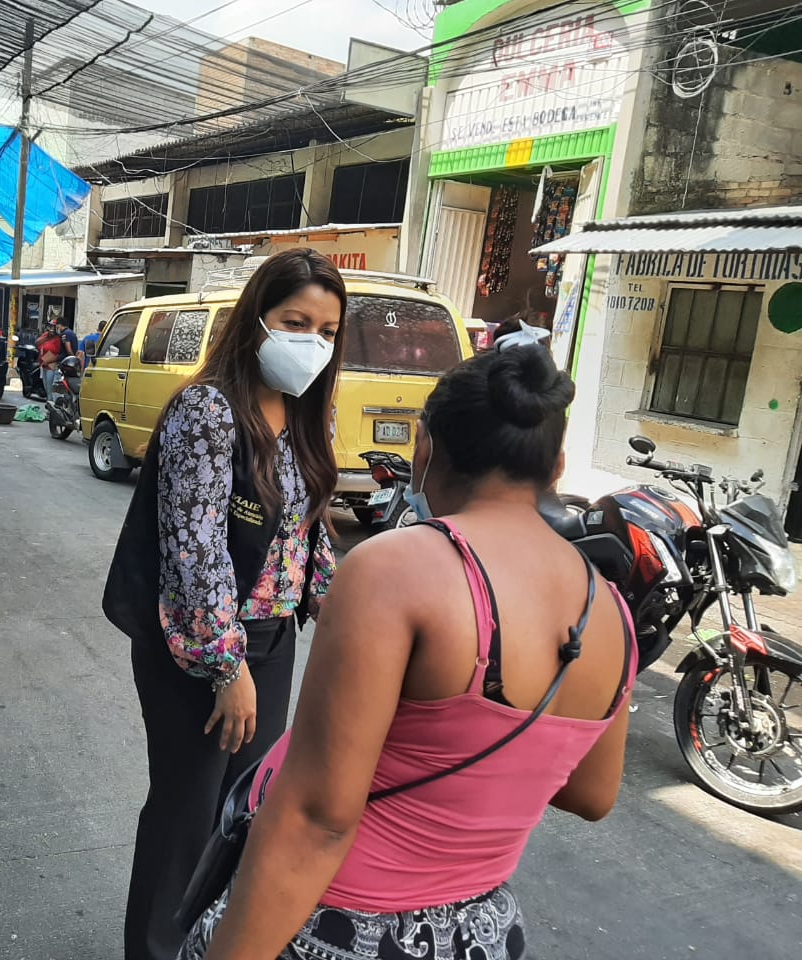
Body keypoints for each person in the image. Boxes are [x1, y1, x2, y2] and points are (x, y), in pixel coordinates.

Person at [180, 344, 637, 960]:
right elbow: (591, 794)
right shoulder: (610, 610)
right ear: (556, 466)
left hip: (341, 928)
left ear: (426, 448)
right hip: (481, 935)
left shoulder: (395, 569)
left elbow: (317, 819)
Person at [103, 248, 345, 960]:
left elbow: (308, 534)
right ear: (257, 320)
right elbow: (194, 550)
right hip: (196, 645)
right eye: (296, 323)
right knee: (186, 810)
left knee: (244, 812)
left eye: (328, 331)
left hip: (273, 639)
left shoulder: (308, 414)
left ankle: (209, 945)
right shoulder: (207, 411)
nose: (312, 343)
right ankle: (155, 948)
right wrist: (226, 668)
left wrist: (343, 611)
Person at [36, 320, 64, 397]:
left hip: (51, 365)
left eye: (53, 327)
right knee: (46, 387)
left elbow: (59, 353)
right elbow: (37, 343)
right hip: (43, 364)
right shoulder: (46, 336)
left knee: (50, 387)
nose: (52, 329)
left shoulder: (58, 339)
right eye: (50, 327)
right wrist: (46, 336)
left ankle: (51, 401)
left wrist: (49, 360)